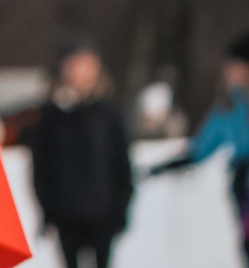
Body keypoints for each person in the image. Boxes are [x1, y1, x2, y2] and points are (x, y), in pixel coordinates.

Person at [27, 41, 134, 268]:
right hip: (66, 215)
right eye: (74, 65)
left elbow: (121, 165)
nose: (79, 72)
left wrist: (121, 208)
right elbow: (41, 167)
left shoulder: (108, 115)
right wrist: (48, 210)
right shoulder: (51, 116)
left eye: (86, 65)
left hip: (102, 213)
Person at [149, 31, 249, 246]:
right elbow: (202, 147)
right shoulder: (229, 106)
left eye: (234, 66)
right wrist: (168, 165)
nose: (228, 73)